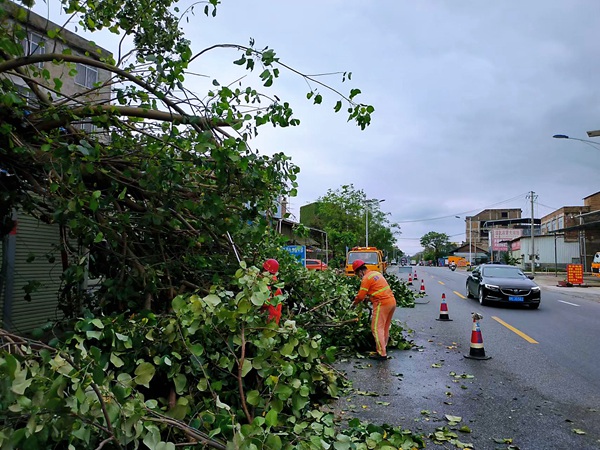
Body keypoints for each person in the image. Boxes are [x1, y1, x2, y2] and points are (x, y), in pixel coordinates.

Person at [351, 259, 396, 360]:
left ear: (360, 271)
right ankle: (383, 348)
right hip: (391, 302)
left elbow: (360, 296)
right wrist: (369, 298)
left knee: (376, 328)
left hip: (382, 303)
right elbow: (377, 289)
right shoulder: (375, 273)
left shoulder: (366, 278)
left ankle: (381, 353)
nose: (358, 276)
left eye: (357, 274)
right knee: (384, 327)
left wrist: (354, 303)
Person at [262, 258, 283, 325]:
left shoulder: (269, 286)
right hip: (274, 318)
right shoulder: (275, 284)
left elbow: (265, 303)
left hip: (269, 318)